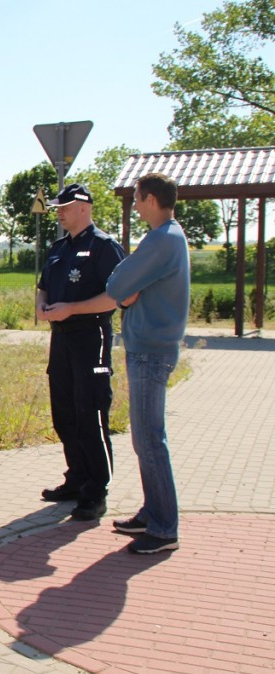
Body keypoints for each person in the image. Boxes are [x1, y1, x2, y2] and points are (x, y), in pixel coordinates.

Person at [106, 172, 189, 555]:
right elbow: (125, 288)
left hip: (150, 350)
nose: (135, 205)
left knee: (150, 440)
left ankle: (163, 527)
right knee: (146, 438)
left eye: (137, 198)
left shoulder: (161, 240)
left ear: (152, 199)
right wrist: (126, 295)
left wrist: (124, 294)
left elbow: (116, 283)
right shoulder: (169, 236)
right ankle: (152, 512)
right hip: (151, 346)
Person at [37, 183, 126, 521]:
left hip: (91, 337)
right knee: (65, 413)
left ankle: (95, 490)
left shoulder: (104, 247)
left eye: (66, 207)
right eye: (58, 207)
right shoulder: (59, 247)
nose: (59, 212)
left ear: (85, 208)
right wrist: (44, 306)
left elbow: (117, 296)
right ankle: (76, 478)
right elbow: (43, 287)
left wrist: (72, 309)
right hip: (61, 339)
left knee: (90, 413)